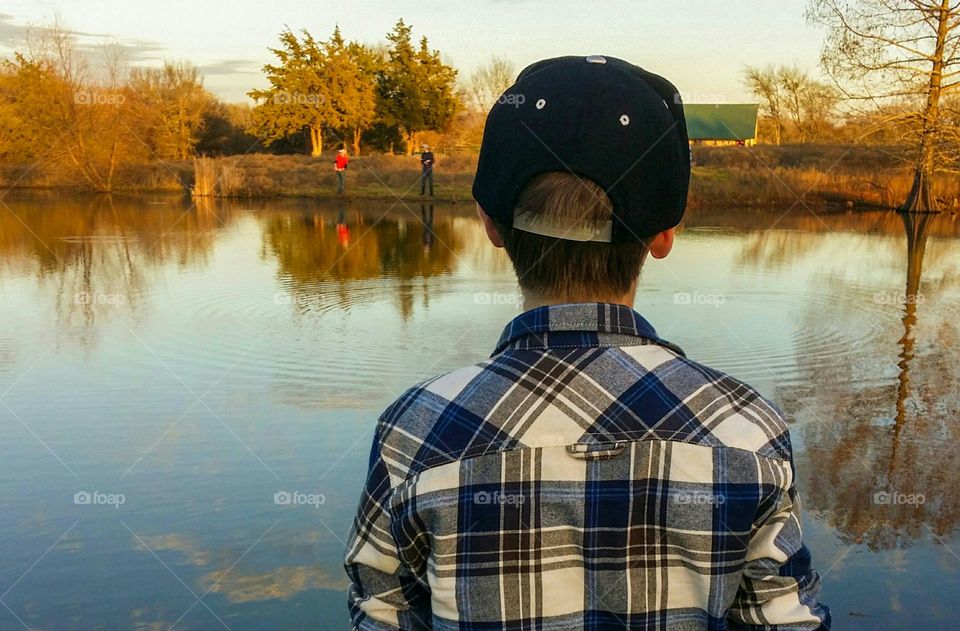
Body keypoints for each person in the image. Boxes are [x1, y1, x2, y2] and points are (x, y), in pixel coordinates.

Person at [344, 56, 830, 630]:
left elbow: (382, 613)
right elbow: (785, 621)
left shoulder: (416, 431)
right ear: (665, 235)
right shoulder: (748, 429)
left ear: (490, 224)